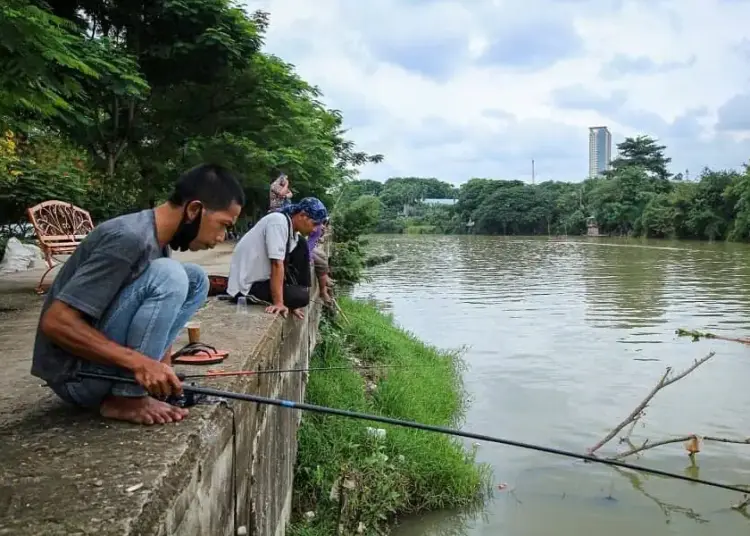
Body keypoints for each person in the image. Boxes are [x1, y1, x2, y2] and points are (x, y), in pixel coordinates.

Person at [31, 164, 245, 425]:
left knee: (195, 279)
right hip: (77, 377)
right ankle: (127, 398)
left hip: (102, 372)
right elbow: (56, 321)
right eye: (223, 225)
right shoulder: (129, 238)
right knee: (170, 275)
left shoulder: (157, 241)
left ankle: (137, 387)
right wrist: (140, 363)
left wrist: (163, 371)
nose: (222, 237)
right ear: (194, 209)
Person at [227, 197, 328, 319]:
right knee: (300, 297)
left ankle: (296, 291)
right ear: (302, 215)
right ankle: (291, 295)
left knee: (301, 245)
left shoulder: (292, 233)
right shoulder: (278, 222)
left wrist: (292, 301)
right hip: (247, 286)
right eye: (315, 223)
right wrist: (279, 303)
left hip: (262, 280)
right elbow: (276, 264)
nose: (315, 229)